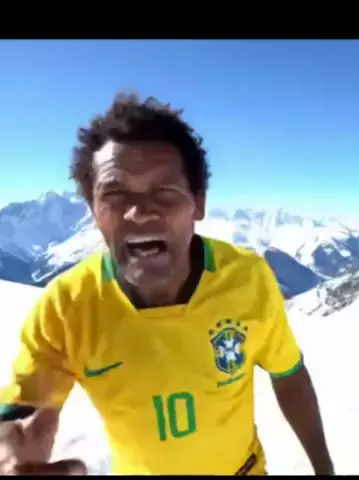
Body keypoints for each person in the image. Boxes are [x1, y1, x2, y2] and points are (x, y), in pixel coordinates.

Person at [0, 92, 334, 475]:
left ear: (198, 203)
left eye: (165, 191)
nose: (140, 212)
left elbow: (287, 372)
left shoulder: (248, 278)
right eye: (115, 194)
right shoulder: (66, 307)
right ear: (93, 211)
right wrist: (9, 457)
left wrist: (323, 467)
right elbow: (24, 412)